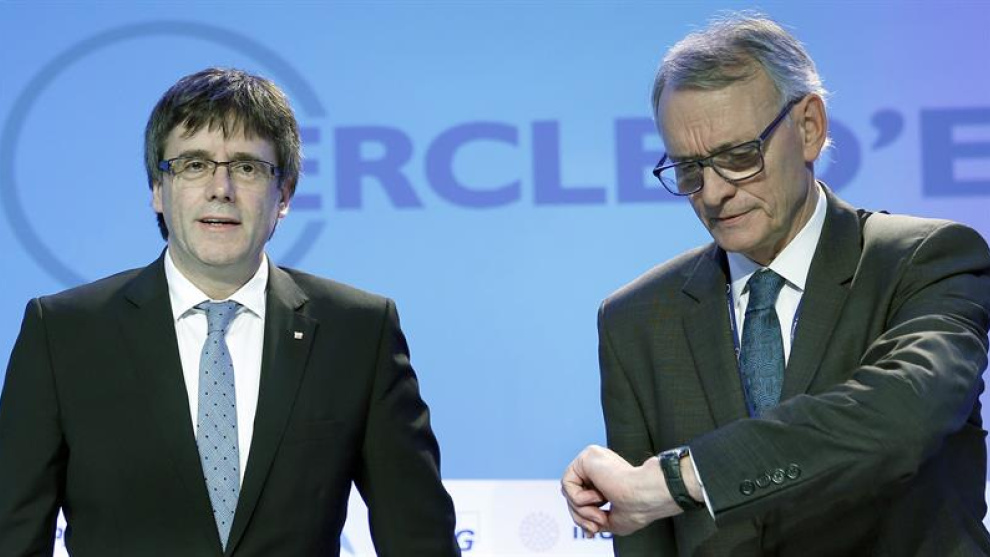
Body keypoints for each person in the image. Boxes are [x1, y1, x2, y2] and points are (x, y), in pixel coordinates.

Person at [562, 14, 990, 556]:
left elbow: (902, 415)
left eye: (739, 157)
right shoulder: (637, 318)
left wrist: (679, 479)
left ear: (809, 127)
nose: (713, 193)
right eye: (689, 168)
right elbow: (644, 534)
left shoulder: (924, 260)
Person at [0, 68, 460, 556]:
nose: (221, 188)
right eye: (194, 164)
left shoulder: (358, 333)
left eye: (246, 167)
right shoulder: (64, 333)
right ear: (158, 189)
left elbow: (420, 540)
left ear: (284, 195)